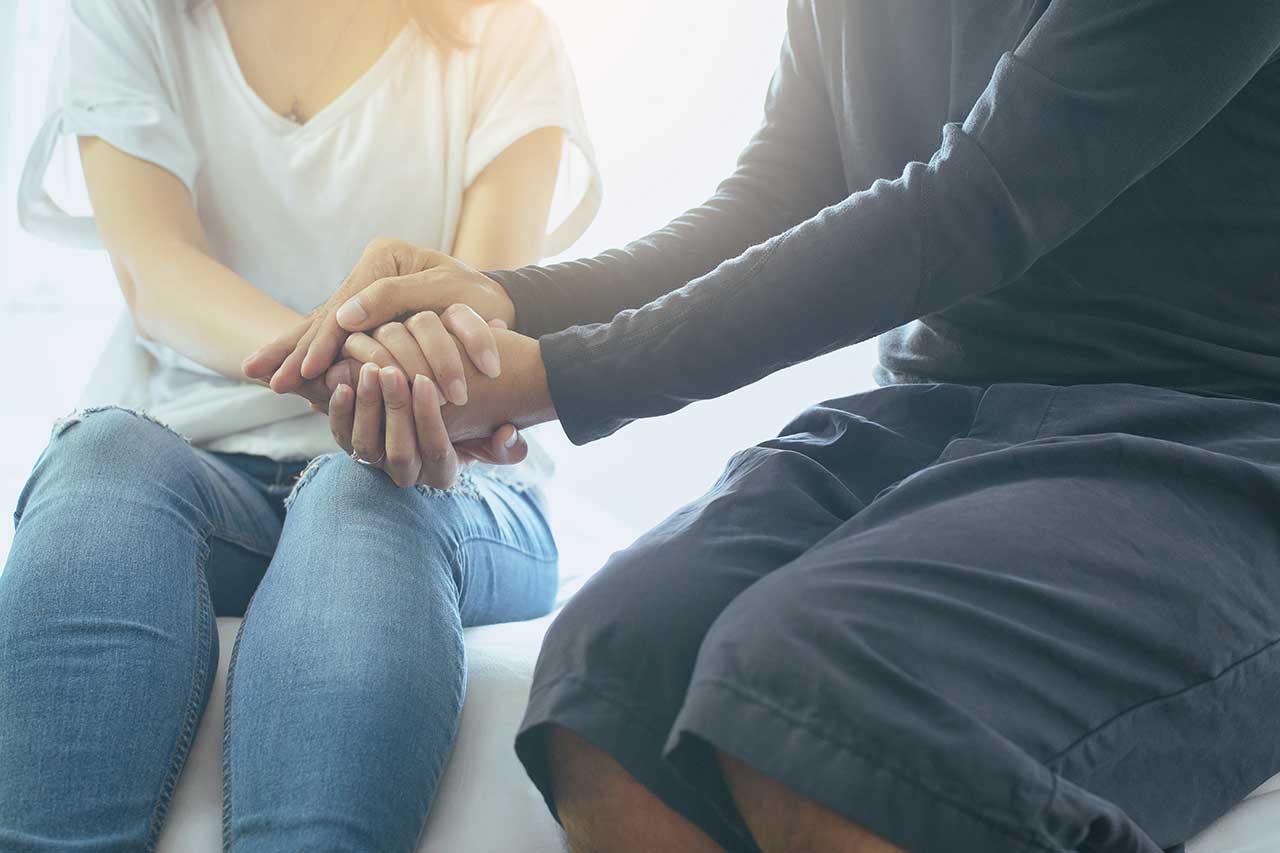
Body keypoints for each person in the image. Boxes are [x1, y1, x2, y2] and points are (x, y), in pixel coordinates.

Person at [247, 1, 1280, 851]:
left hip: (1210, 439)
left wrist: (557, 376)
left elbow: (970, 203)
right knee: (613, 669)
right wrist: (508, 305)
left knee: (824, 685)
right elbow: (778, 196)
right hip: (942, 415)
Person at [0, 0, 599, 849]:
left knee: (361, 498)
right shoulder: (129, 14)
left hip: (430, 469)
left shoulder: (503, 29)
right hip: (198, 456)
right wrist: (332, 363)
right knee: (100, 458)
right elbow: (152, 268)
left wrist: (368, 380)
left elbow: (484, 318)